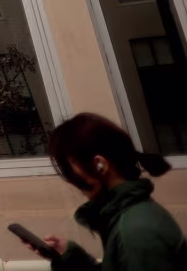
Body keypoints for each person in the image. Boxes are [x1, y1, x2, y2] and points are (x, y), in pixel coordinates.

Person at [29, 112, 187, 270]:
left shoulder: (136, 232)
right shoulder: (132, 215)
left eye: (69, 170)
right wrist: (71, 259)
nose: (71, 181)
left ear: (100, 165)